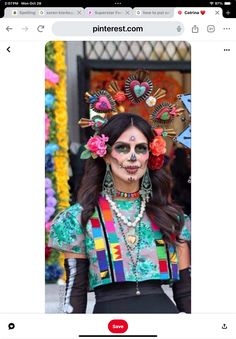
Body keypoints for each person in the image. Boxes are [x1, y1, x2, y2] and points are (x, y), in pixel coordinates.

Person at [48, 113, 191, 314]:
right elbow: (75, 296)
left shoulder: (172, 219)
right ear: (106, 155)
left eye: (140, 148)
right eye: (122, 148)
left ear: (150, 156)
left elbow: (186, 294)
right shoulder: (79, 219)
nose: (132, 157)